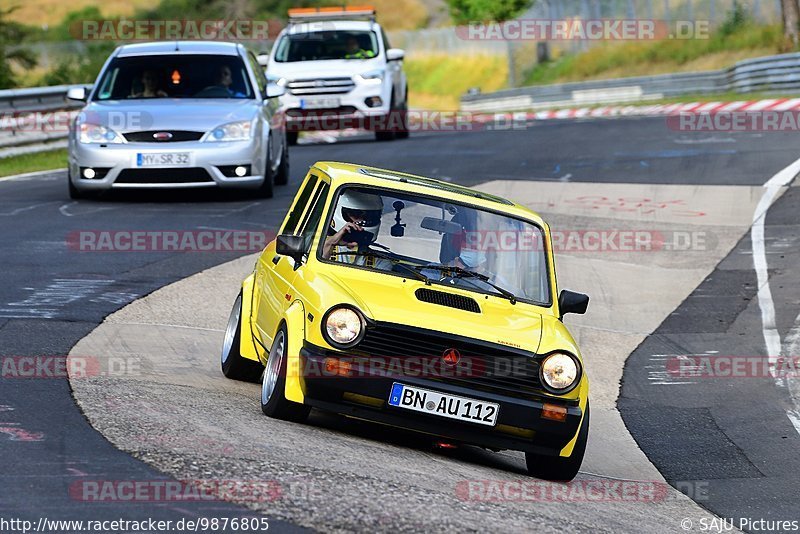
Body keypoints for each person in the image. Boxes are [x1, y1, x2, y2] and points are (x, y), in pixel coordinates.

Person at [322, 190, 392, 270]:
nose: (361, 220)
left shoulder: (381, 262)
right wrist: (330, 244)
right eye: (355, 214)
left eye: (368, 216)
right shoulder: (316, 246)